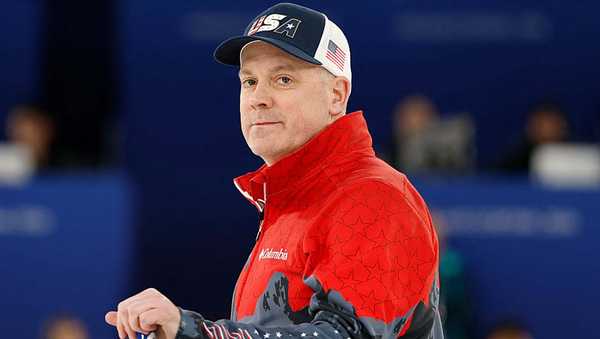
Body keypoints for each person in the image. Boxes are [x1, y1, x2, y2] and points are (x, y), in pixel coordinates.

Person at [105, 3, 443, 339]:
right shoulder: (294, 202)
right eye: (249, 81)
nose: (258, 98)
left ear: (337, 96)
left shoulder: (374, 198)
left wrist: (197, 333)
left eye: (283, 79)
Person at [495, 101, 569, 173]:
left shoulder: (572, 157)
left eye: (552, 126)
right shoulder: (514, 163)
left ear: (562, 127)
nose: (546, 132)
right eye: (541, 126)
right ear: (530, 128)